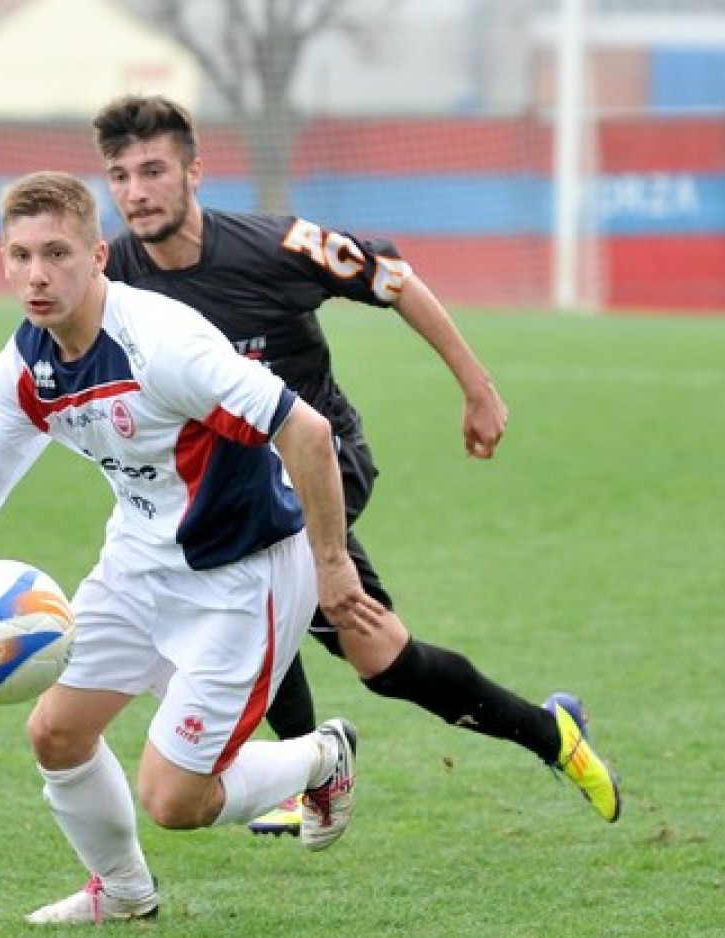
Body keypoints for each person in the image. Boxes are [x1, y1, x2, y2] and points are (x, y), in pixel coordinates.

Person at [90, 95, 622, 830]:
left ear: (195, 173)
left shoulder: (275, 248)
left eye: (153, 170)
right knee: (383, 660)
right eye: (119, 176)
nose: (136, 192)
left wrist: (477, 387)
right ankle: (550, 732)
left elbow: (394, 278)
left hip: (324, 462)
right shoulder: (109, 275)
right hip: (230, 487)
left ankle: (313, 776)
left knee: (243, 588)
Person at [0, 172, 383, 924]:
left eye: (57, 254)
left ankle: (321, 757)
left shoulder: (163, 344)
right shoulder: (28, 362)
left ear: (98, 256)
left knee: (175, 800)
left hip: (243, 571)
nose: (37, 275)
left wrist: (333, 566)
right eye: (20, 255)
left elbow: (307, 431)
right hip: (140, 559)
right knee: (56, 732)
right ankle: (126, 895)